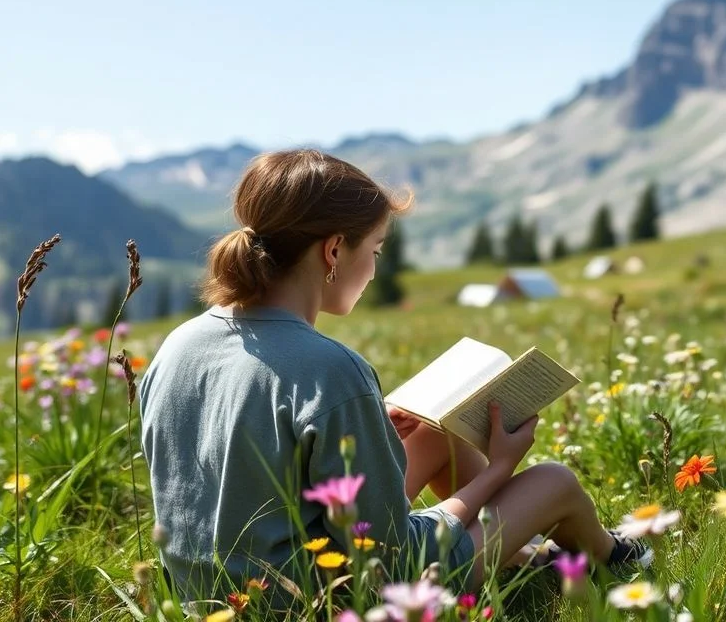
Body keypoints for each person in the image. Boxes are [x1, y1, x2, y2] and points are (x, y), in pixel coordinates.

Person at [138, 149, 650, 604]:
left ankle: (530, 555)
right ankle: (612, 560)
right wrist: (500, 468)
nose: (376, 269)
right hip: (316, 601)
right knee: (553, 481)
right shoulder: (332, 370)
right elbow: (391, 559)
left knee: (432, 432)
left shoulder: (177, 346)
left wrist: (364, 424)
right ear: (333, 251)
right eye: (376, 251)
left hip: (206, 599)